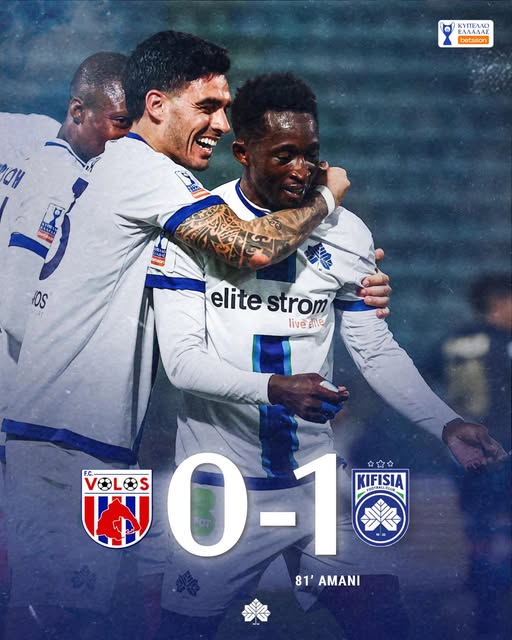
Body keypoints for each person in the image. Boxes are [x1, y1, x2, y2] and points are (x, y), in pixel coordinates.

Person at [2, 32, 351, 640]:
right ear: (157, 105)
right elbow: (252, 246)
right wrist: (325, 199)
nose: (221, 124)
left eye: (225, 108)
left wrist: (350, 276)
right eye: (208, 107)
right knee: (54, 620)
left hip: (84, 438)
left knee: (102, 612)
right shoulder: (145, 171)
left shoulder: (125, 171)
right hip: (64, 441)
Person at [146, 72, 508, 640]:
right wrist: (276, 389)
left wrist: (445, 423)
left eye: (310, 154)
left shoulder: (345, 231)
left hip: (317, 488)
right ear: (243, 152)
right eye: (283, 155)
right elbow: (183, 363)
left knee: (384, 623)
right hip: (220, 492)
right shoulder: (199, 227)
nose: (301, 169)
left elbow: (374, 348)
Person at [433, 274, 511, 639]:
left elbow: (425, 375)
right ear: (498, 303)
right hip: (503, 445)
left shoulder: (453, 340)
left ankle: (482, 604)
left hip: (465, 450)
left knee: (478, 529)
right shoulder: (504, 343)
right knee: (502, 528)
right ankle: (496, 609)